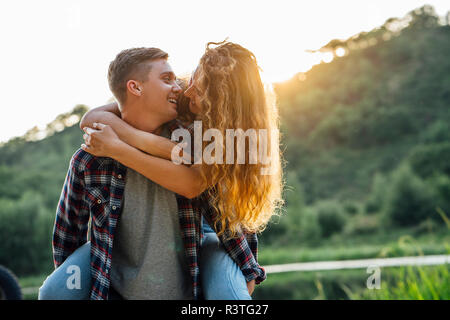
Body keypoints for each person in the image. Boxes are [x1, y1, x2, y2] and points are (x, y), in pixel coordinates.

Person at [39, 46, 267, 300]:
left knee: (232, 300)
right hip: (116, 274)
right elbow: (69, 232)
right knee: (52, 292)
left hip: (194, 264)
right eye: (167, 79)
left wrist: (248, 269)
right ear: (135, 87)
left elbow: (228, 209)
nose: (180, 88)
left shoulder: (195, 139)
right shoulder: (91, 159)